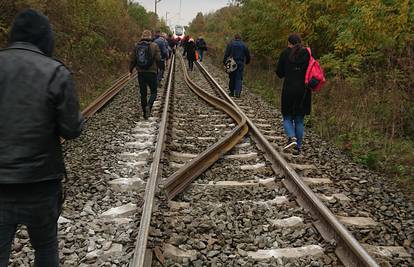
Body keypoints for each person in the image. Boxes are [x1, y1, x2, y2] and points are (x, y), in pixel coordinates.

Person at [0, 9, 84, 267]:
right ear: (45, 38)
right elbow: (71, 129)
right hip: (41, 183)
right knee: (46, 248)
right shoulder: (55, 72)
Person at [276, 34, 311, 156]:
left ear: (289, 43)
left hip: (289, 90)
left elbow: (279, 73)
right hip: (304, 90)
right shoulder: (307, 54)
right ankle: (298, 148)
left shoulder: (285, 53)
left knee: (287, 116)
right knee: (299, 119)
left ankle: (292, 137)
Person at [129, 30, 161, 120]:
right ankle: (149, 106)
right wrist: (161, 68)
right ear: (150, 36)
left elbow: (133, 60)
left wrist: (130, 70)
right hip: (152, 72)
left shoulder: (136, 46)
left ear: (142, 36)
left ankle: (144, 113)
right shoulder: (154, 45)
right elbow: (158, 59)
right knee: (154, 92)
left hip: (141, 72)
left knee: (143, 94)